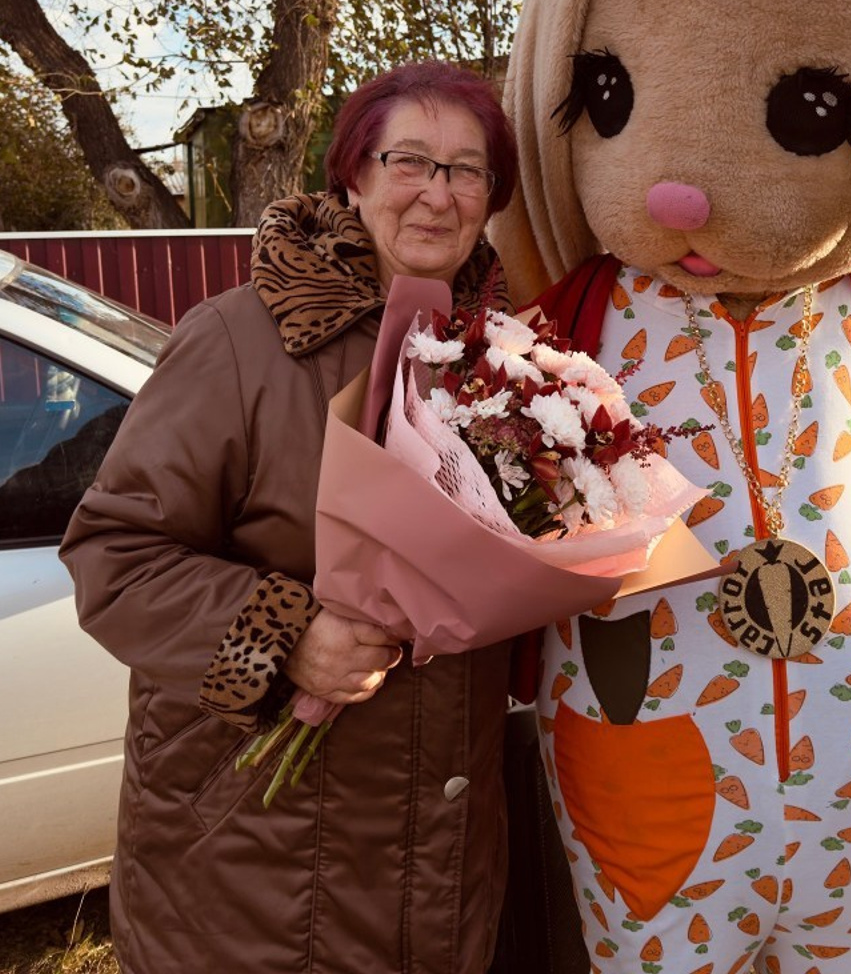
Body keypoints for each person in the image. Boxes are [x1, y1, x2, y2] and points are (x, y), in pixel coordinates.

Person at [60, 61, 518, 974]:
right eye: (410, 161)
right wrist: (285, 637)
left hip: (441, 851)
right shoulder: (241, 340)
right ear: (353, 175)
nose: (439, 194)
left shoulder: (502, 361)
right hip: (254, 867)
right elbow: (114, 552)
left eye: (468, 171)